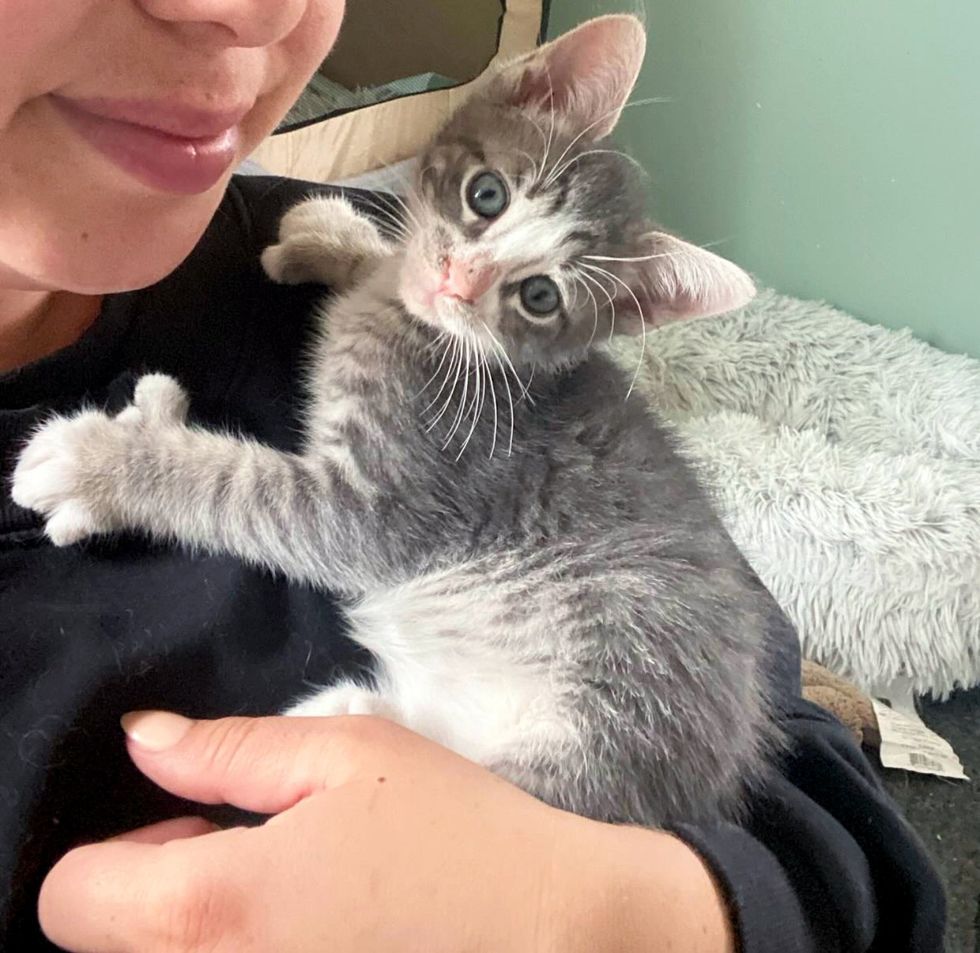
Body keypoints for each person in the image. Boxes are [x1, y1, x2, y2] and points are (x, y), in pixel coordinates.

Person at [0, 1, 946, 951]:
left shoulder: (474, 355)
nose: (456, 277)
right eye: (487, 200)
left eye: (536, 294)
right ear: (518, 90)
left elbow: (843, 839)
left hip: (562, 708)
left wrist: (617, 912)